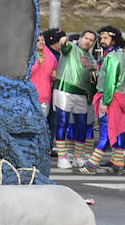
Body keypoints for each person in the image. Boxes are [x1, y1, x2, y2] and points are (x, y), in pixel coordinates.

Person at [86, 26, 125, 174]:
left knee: (106, 132)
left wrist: (106, 102)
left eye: (105, 38)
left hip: (112, 98)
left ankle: (91, 165)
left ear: (113, 39)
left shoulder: (111, 57)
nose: (102, 40)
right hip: (122, 98)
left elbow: (110, 82)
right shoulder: (121, 55)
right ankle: (117, 164)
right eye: (101, 38)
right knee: (119, 130)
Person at [53, 29, 98, 172]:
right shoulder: (72, 48)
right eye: (86, 38)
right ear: (80, 38)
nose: (88, 41)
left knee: (81, 125)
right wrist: (63, 41)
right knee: (63, 122)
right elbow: (64, 46)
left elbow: (92, 79)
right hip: (64, 89)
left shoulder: (91, 58)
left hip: (82, 95)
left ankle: (78, 156)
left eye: (91, 40)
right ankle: (62, 157)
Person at [30, 29, 63, 157]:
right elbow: (25, 75)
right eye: (38, 40)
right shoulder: (29, 55)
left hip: (45, 97)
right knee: (32, 124)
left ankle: (42, 150)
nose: (41, 42)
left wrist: (55, 76)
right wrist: (36, 64)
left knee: (43, 126)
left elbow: (53, 75)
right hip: (30, 97)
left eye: (43, 40)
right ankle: (31, 149)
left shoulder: (51, 57)